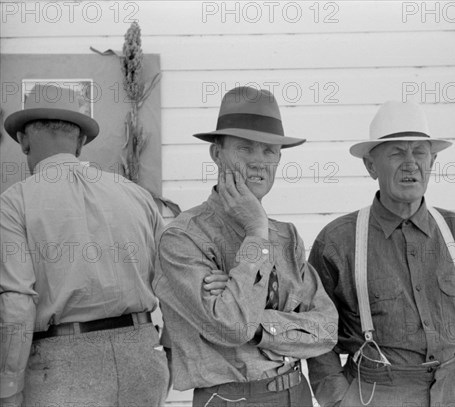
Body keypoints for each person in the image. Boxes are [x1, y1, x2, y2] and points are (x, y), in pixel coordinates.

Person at [307, 101, 455, 407]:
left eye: (419, 152)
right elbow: (315, 331)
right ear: (371, 166)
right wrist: (338, 399)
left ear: (433, 160)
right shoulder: (338, 242)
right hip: (376, 394)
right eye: (396, 152)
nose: (410, 163)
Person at [153, 86, 338, 407]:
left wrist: (258, 323)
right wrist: (255, 232)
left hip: (296, 393)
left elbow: (326, 330)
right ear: (216, 153)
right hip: (229, 398)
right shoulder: (183, 238)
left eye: (269, 151)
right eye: (245, 148)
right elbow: (234, 327)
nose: (258, 162)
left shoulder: (287, 236)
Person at [0, 84, 169, 406]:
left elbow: (17, 305)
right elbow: (174, 282)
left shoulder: (14, 203)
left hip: (61, 371)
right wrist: (169, 352)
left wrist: (8, 386)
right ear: (80, 143)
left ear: (23, 140)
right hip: (143, 360)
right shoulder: (136, 195)